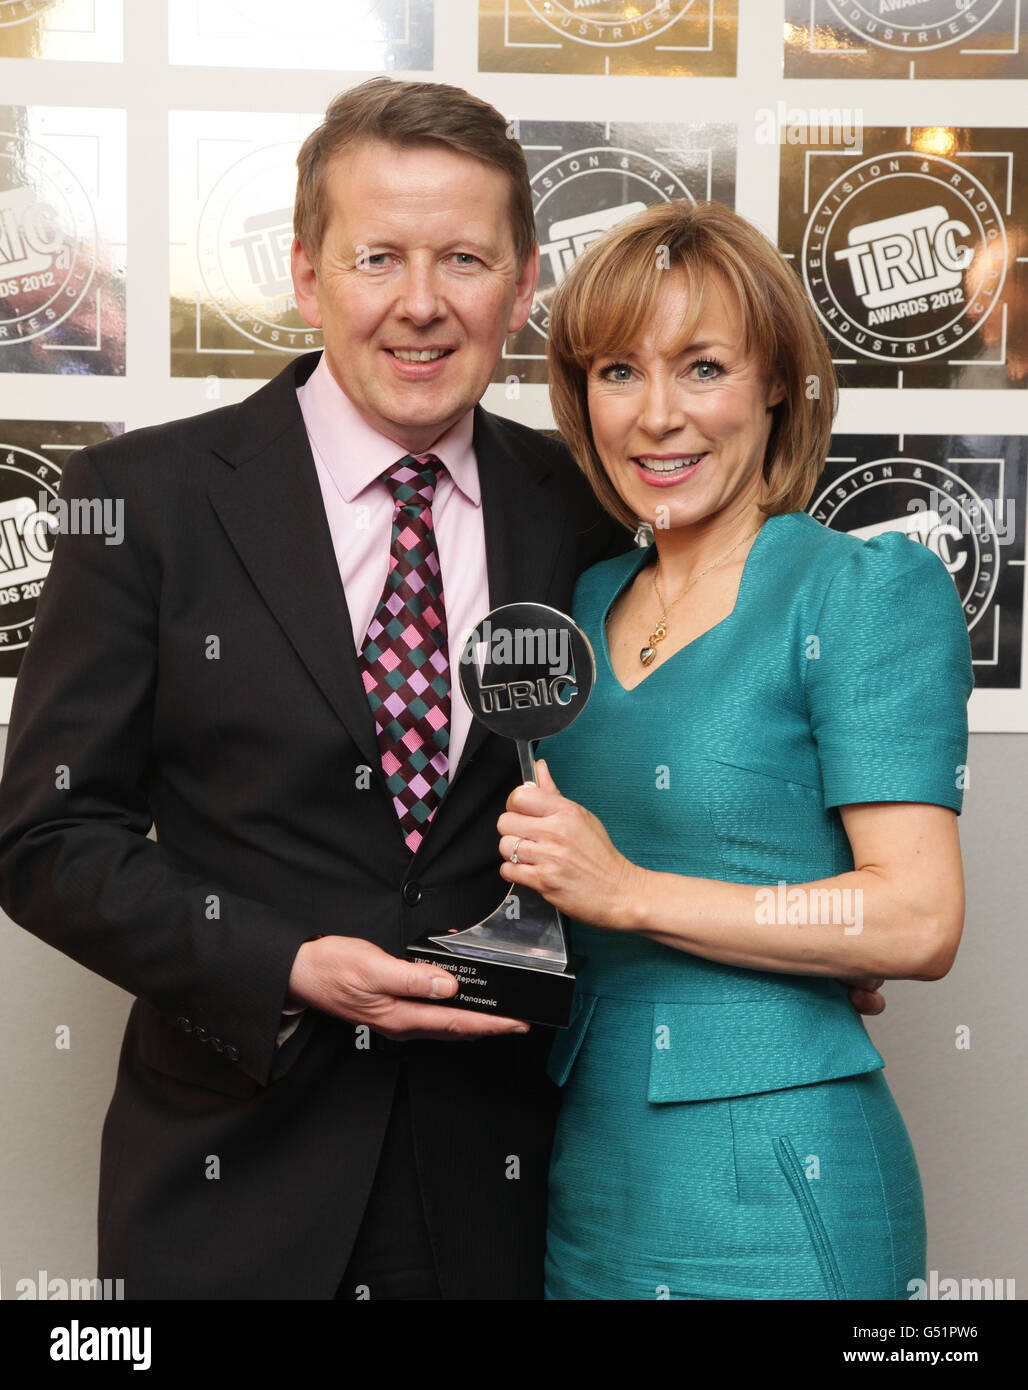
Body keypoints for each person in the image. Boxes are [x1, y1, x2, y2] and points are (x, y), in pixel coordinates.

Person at [0, 82, 882, 1302]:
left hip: (507, 1183)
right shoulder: (143, 503)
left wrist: (792, 940)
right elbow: (49, 836)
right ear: (306, 277)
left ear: (521, 289)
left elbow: (703, 738)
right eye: (377, 257)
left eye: (463, 258)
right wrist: (285, 960)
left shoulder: (591, 507)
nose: (421, 302)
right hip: (231, 1184)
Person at [497, 200, 973, 1300]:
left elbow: (916, 917)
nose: (656, 416)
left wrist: (632, 893)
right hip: (593, 1167)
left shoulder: (861, 590)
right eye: (617, 372)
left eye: (700, 366)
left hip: (780, 1171)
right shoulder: (573, 602)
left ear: (774, 383)